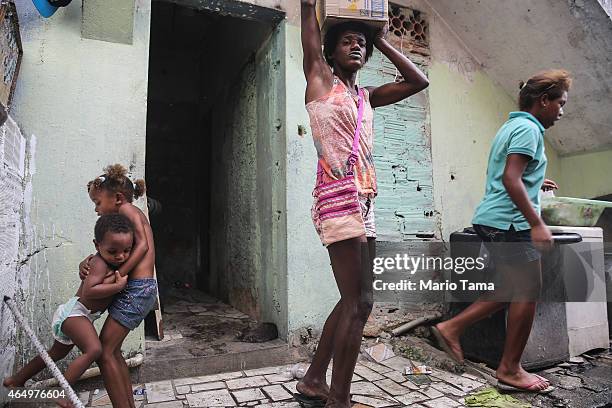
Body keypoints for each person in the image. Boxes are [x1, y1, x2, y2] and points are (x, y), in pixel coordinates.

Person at [298, 1, 429, 407]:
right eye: (347, 42)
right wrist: (309, 7)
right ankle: (339, 398)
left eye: (360, 44)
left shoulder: (367, 97)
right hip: (337, 197)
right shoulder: (321, 79)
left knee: (356, 299)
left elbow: (418, 80)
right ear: (331, 52)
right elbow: (310, 34)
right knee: (360, 303)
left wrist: (381, 40)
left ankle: (314, 380)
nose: (355, 47)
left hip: (365, 200)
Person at [432, 70, 572, 394]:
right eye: (560, 104)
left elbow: (512, 174)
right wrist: (537, 223)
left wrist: (538, 183)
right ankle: (509, 368)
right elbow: (511, 179)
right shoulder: (528, 130)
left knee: (514, 288)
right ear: (544, 100)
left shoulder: (513, 125)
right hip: (510, 223)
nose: (562, 112)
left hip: (494, 219)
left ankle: (452, 327)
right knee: (527, 291)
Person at [3, 214, 133, 408]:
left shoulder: (113, 261)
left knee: (55, 353)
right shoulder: (99, 263)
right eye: (113, 251)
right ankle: (64, 393)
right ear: (97, 246)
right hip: (76, 313)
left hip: (80, 316)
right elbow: (89, 290)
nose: (120, 256)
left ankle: (16, 380)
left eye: (126, 250)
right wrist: (117, 287)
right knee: (95, 349)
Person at [81, 164, 157, 408]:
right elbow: (114, 252)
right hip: (138, 289)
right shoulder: (126, 214)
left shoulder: (128, 210)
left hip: (138, 289)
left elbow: (143, 246)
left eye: (98, 202)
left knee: (105, 351)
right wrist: (88, 262)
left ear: (117, 198)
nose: (96, 209)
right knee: (111, 351)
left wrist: (119, 274)